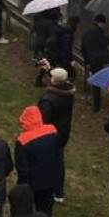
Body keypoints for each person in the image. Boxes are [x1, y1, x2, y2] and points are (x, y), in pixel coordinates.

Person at [36, 67, 75, 203]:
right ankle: (59, 192)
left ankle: (49, 188)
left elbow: (42, 120)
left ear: (54, 80)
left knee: (50, 163)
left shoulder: (49, 99)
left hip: (50, 135)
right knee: (58, 161)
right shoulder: (67, 93)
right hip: (63, 132)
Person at [14, 106, 61, 217]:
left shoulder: (22, 141)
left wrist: (22, 188)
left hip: (33, 184)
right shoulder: (52, 131)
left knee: (27, 212)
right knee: (46, 211)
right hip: (50, 180)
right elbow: (58, 157)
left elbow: (23, 170)